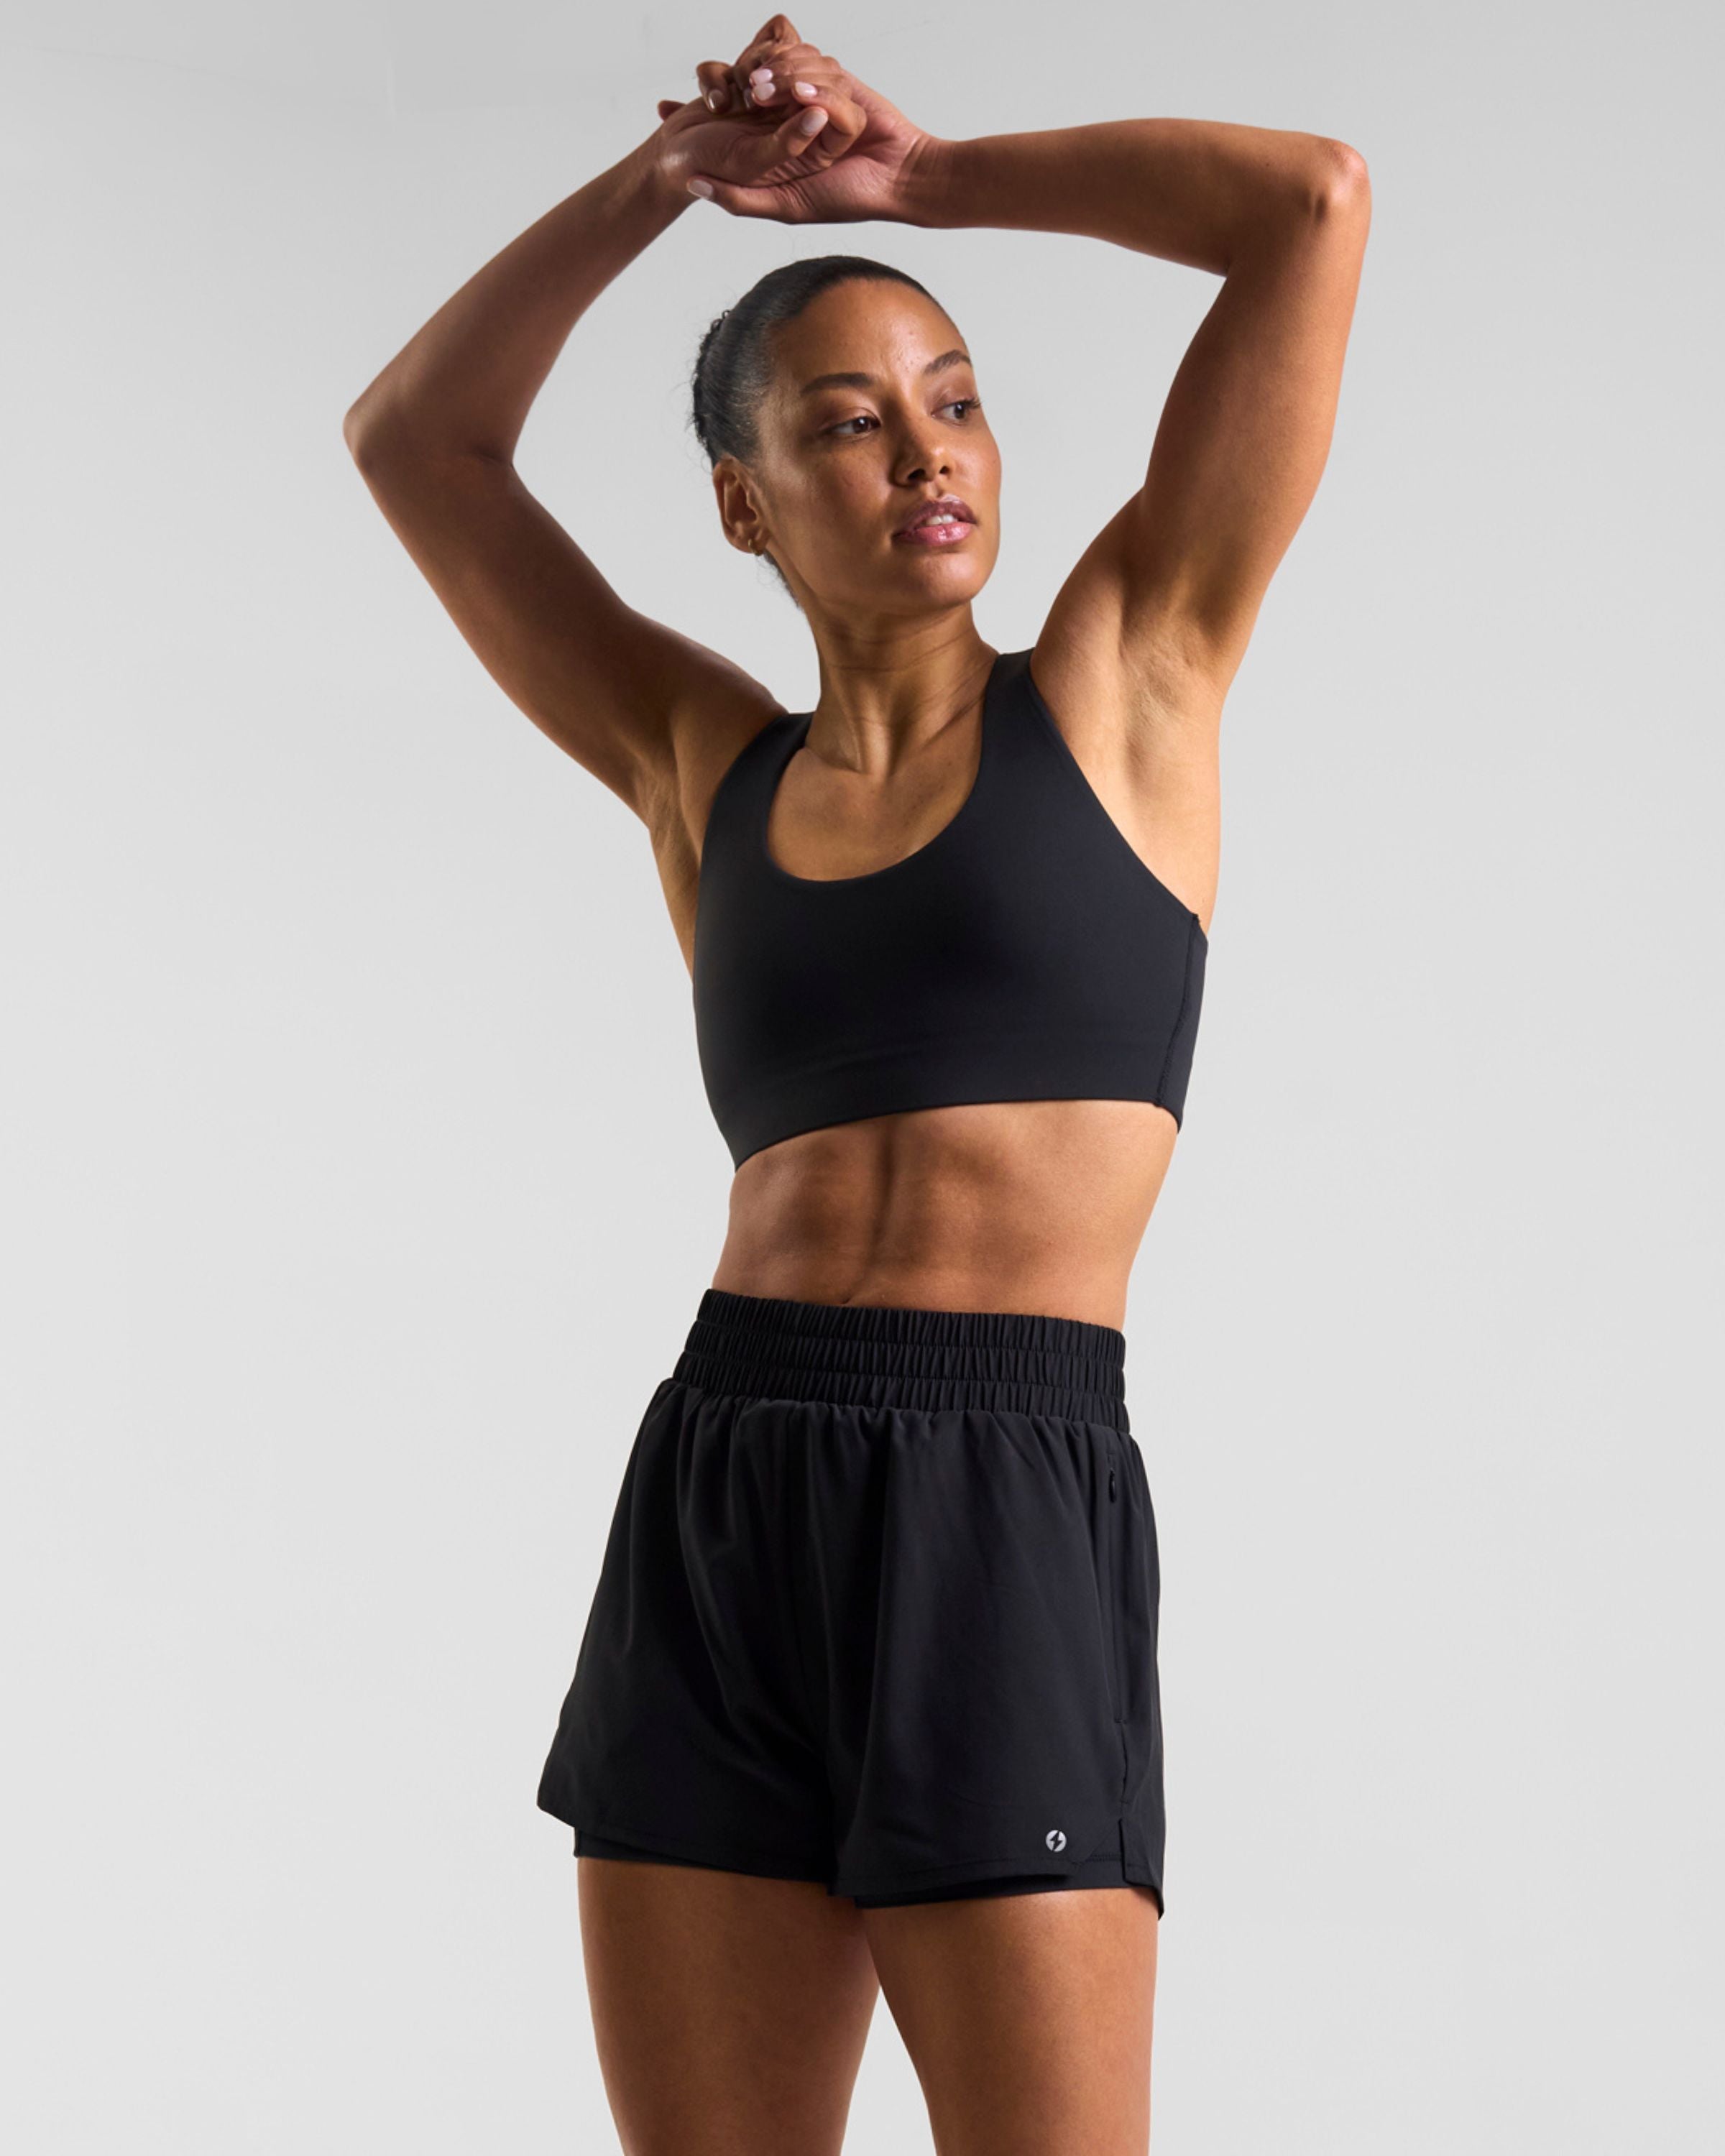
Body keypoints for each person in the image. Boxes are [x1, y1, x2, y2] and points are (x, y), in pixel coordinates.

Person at [344, 15, 1368, 2151]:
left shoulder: (1128, 678)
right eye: (849, 420)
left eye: (956, 400)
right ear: (744, 502)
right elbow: (416, 440)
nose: (928, 451)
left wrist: (925, 182)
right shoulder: (697, 763)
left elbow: (1308, 205)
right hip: (727, 1485)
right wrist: (664, 182)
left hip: (1004, 1487)